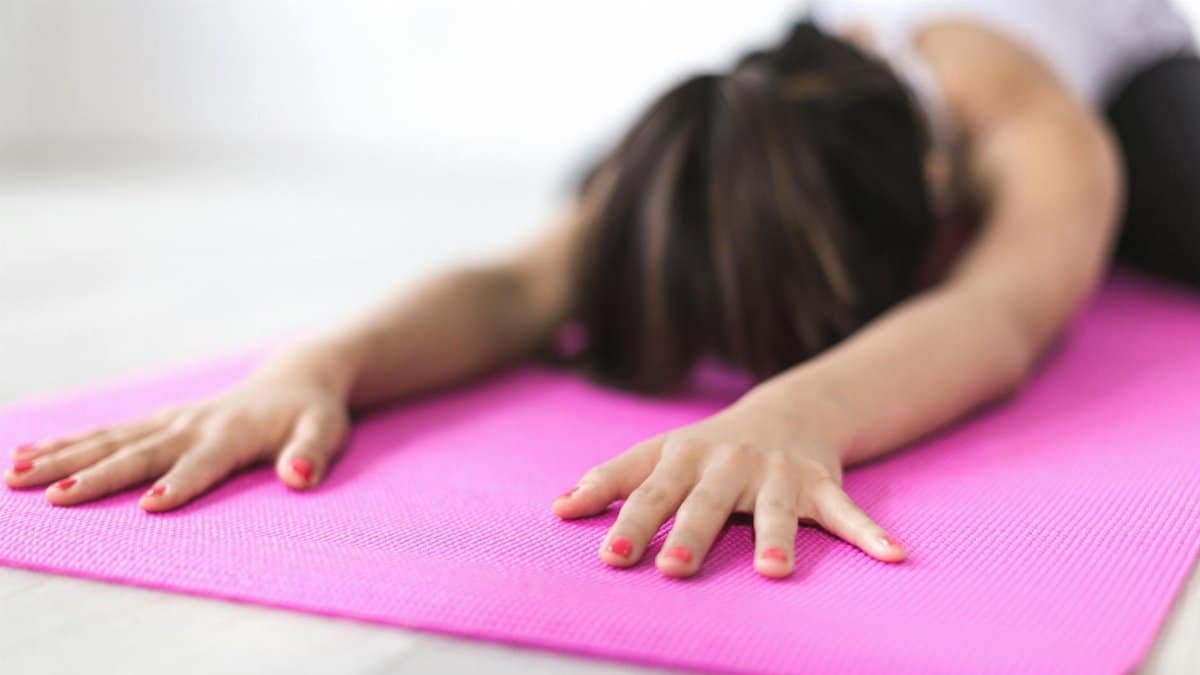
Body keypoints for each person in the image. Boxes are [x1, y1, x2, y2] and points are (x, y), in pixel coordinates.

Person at [7, 1, 1199, 579]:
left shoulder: (1031, 132)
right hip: (822, 80)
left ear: (940, 215)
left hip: (1121, 66)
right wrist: (314, 367)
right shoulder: (752, 113)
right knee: (612, 197)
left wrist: (799, 411)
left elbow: (1000, 311)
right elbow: (517, 288)